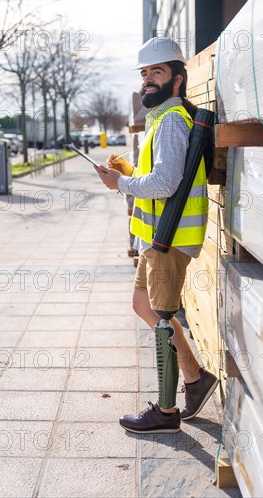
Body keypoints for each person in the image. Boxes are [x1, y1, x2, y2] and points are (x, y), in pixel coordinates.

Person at [95, 37, 218, 434]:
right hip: (156, 238)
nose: (148, 80)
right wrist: (126, 175)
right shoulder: (161, 119)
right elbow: (162, 177)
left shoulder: (169, 122)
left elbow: (165, 183)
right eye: (145, 73)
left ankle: (166, 414)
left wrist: (121, 185)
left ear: (177, 80)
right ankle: (196, 379)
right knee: (142, 305)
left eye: (157, 72)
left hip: (168, 239)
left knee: (162, 319)